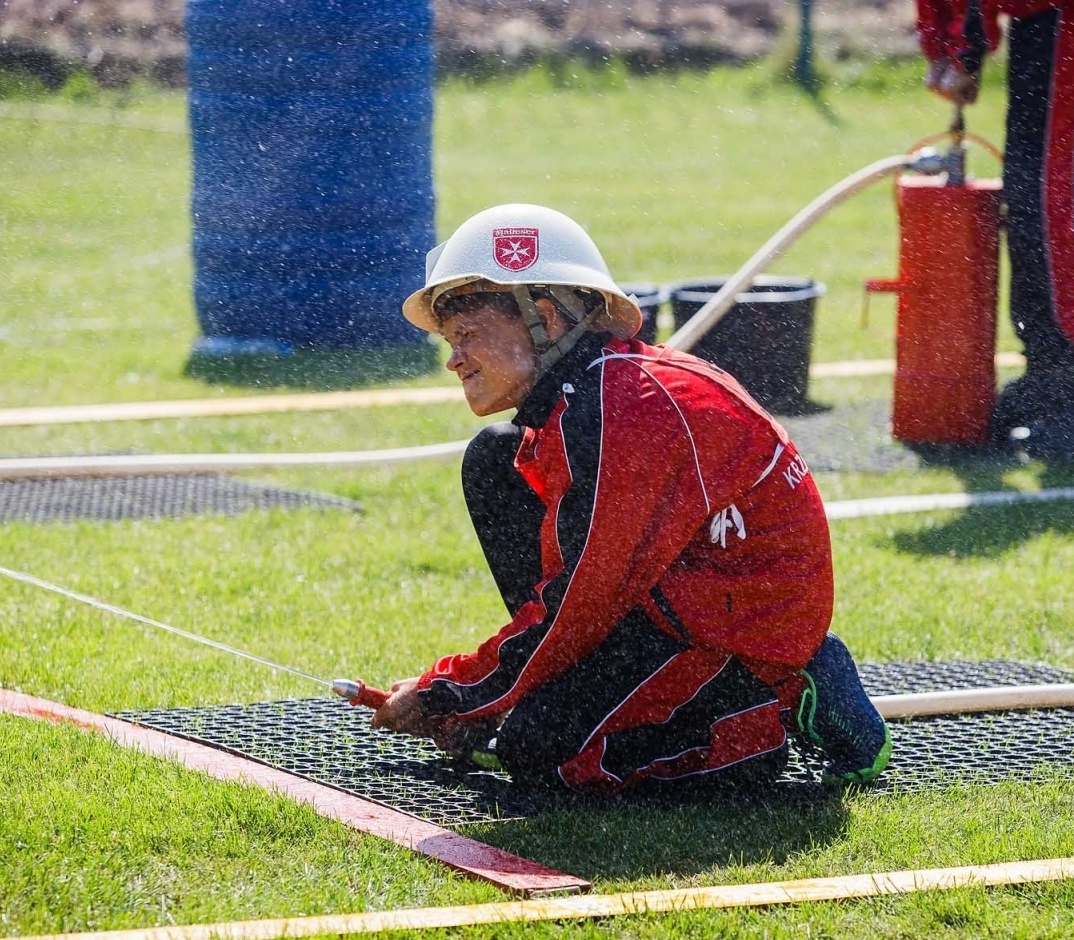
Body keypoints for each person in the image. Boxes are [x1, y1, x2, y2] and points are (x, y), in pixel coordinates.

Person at [350, 204, 891, 795]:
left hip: (734, 635)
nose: (453, 359)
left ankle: (777, 707)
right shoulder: (590, 397)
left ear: (548, 320)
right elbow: (581, 590)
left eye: (468, 335)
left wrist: (451, 691)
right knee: (493, 459)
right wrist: (485, 696)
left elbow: (580, 599)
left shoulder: (619, 411)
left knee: (541, 754)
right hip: (676, 603)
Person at [916, 0, 1074, 457]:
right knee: (1028, 199)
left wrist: (965, 53)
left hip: (1068, 11)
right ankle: (1049, 372)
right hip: (1036, 15)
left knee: (1052, 199)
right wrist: (945, 46)